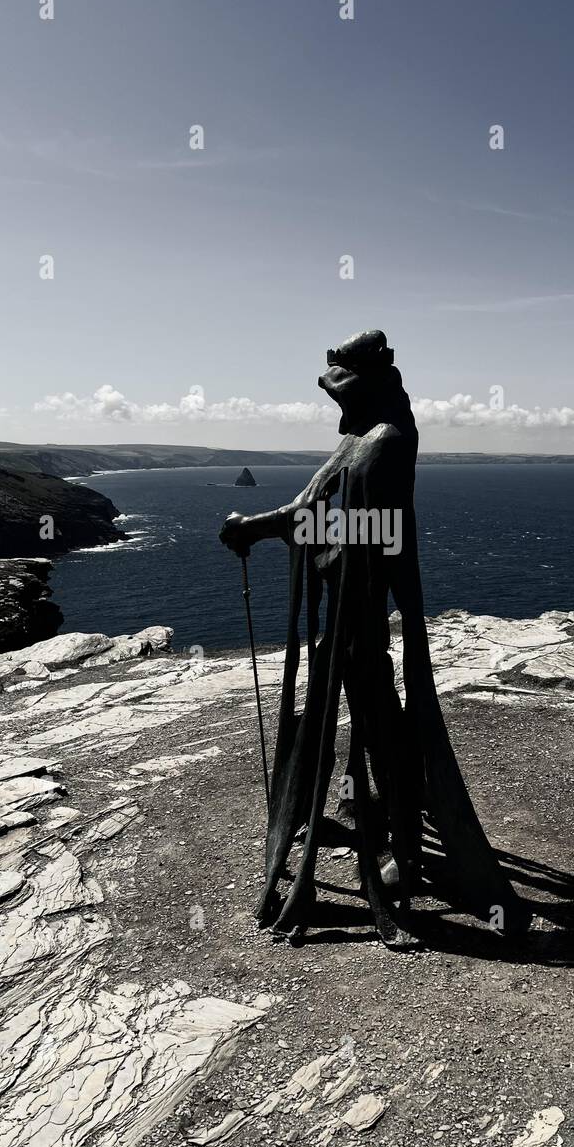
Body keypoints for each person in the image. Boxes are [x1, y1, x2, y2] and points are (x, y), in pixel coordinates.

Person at [220, 330, 529, 946]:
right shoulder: (355, 436)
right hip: (344, 604)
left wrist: (255, 528)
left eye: (341, 390)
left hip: (363, 605)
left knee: (378, 714)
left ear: (367, 385)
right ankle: (366, 814)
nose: (335, 405)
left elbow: (366, 526)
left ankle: (403, 844)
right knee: (354, 709)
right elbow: (315, 504)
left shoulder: (384, 443)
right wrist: (263, 525)